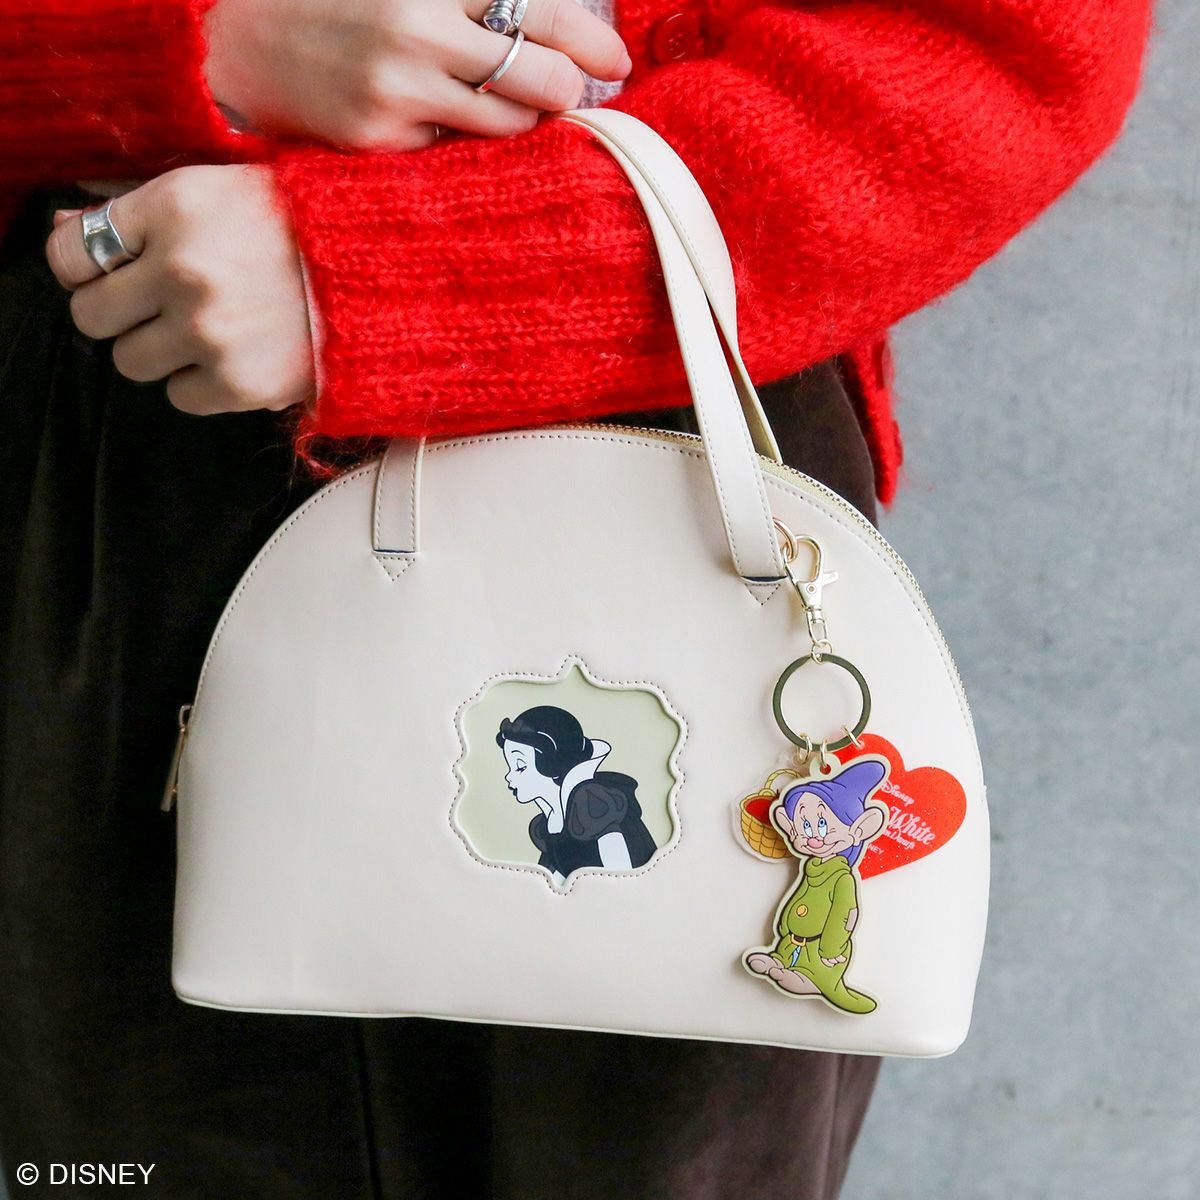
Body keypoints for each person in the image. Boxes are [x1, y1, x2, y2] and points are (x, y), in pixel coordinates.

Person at [0, 0, 1151, 1196]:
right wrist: (160, 39)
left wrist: (408, 271)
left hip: (672, 435)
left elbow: (1004, 51)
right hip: (138, 382)